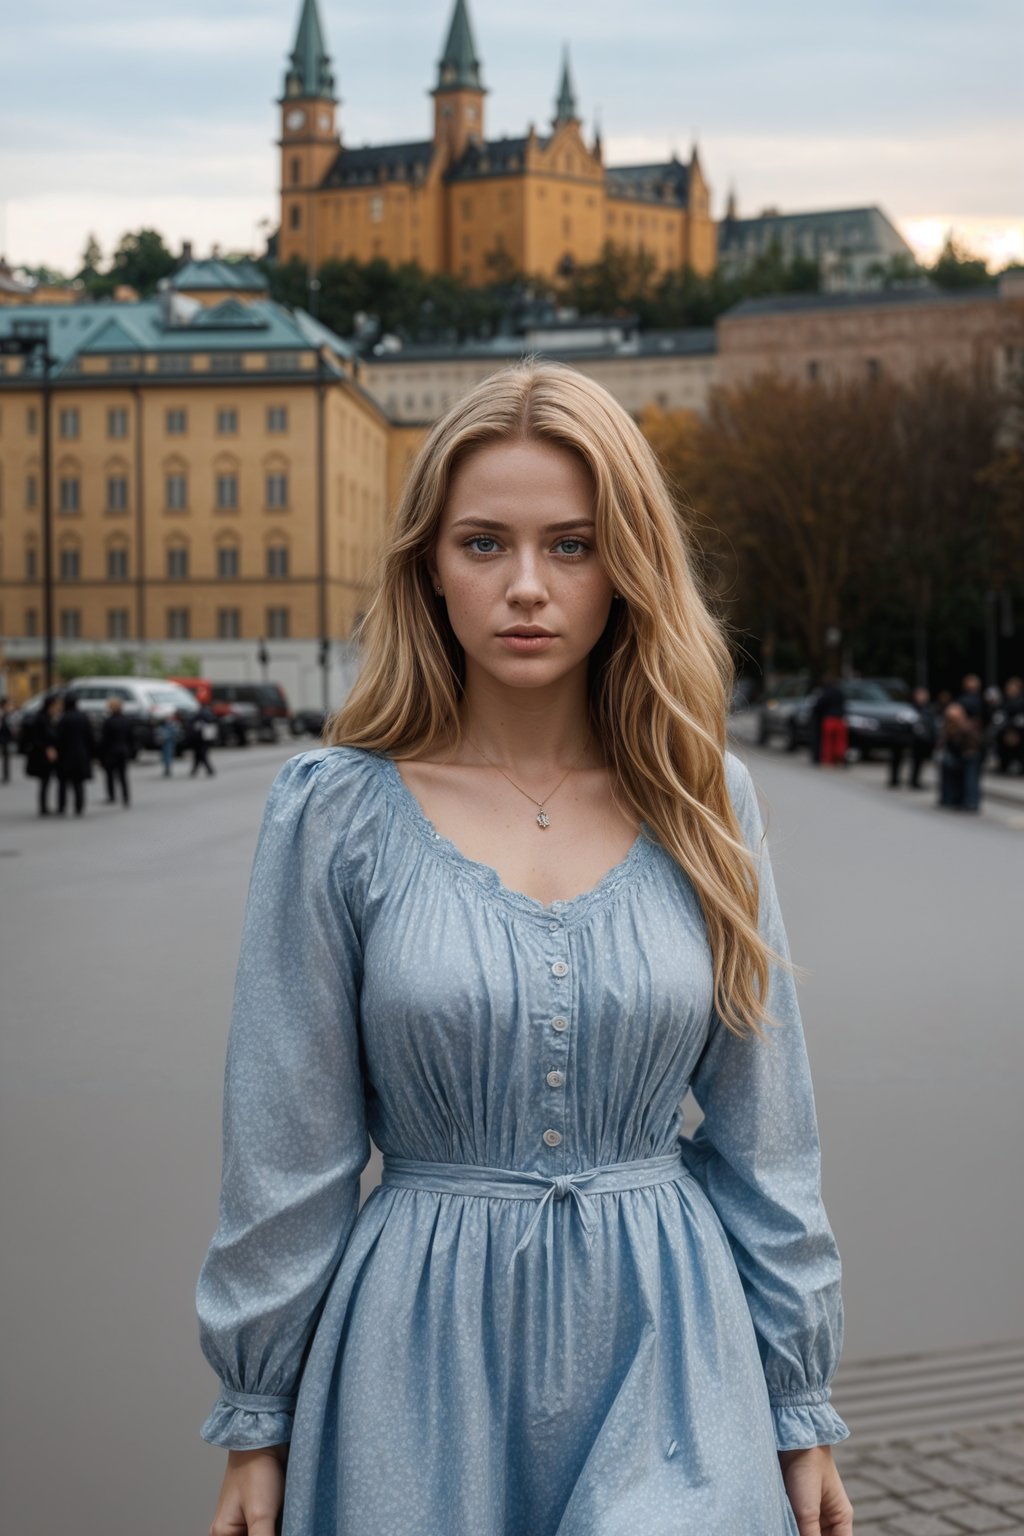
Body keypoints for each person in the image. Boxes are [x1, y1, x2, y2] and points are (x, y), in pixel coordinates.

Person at [196, 363, 852, 1536]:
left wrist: (798, 1405)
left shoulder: (707, 801)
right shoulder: (336, 813)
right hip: (415, 1354)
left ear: (628, 567)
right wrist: (259, 1419)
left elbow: (769, 1132)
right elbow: (285, 1147)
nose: (527, 589)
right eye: (484, 544)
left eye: (572, 546)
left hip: (673, 1343)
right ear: (429, 569)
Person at [889, 685, 938, 789]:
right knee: (898, 757)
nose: (922, 697)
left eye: (924, 695)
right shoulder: (908, 709)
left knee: (918, 760)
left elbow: (931, 725)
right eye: (920, 695)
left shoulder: (928, 710)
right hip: (905, 738)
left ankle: (914, 780)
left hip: (920, 740)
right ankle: (894, 779)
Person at [55, 691, 95, 816]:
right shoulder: (83, 717)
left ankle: (62, 806)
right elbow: (90, 737)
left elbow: (59, 738)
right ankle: (79, 806)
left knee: (63, 783)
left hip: (65, 755)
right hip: (80, 753)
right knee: (78, 783)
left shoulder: (63, 718)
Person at [938, 702, 983, 811]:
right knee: (946, 762)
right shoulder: (949, 727)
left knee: (969, 772)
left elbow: (973, 747)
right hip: (958, 757)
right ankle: (950, 798)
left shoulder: (967, 726)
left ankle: (970, 801)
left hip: (970, 757)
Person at [23, 693, 62, 815]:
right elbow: (41, 737)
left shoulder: (47, 717)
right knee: (45, 780)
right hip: (42, 755)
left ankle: (45, 806)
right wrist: (48, 748)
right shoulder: (42, 718)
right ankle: (43, 807)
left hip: (44, 753)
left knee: (46, 781)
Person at [98, 696, 135, 808]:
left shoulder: (108, 722)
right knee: (123, 775)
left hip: (110, 751)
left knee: (110, 775)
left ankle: (112, 795)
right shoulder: (126, 720)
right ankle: (125, 796)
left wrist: (100, 755)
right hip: (123, 750)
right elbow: (131, 738)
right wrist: (131, 751)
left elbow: (104, 740)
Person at [810, 675, 847, 766]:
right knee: (840, 742)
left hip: (829, 719)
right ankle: (839, 759)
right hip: (840, 720)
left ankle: (828, 760)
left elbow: (819, 705)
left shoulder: (825, 693)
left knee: (828, 742)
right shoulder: (841, 693)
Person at [188, 703, 217, 777]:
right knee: (198, 755)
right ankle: (195, 771)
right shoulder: (206, 715)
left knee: (201, 755)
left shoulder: (200, 716)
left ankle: (208, 770)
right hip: (201, 739)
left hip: (201, 739)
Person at [160, 712, 178, 777]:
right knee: (165, 757)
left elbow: (175, 734)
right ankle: (166, 769)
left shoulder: (173, 725)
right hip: (165, 744)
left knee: (168, 757)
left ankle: (168, 770)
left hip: (169, 743)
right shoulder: (164, 725)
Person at [0, 696, 14, 783]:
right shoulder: (1, 713)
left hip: (5, 739)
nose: (10, 706)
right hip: (2, 739)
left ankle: (6, 776)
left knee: (6, 758)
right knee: (5, 757)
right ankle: (6, 776)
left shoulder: (6, 714)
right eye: (8, 704)